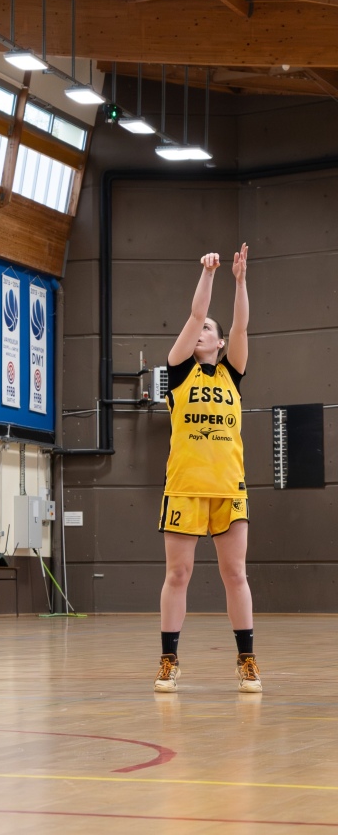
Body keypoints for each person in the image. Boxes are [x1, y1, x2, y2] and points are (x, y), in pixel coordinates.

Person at [155, 244, 260, 694]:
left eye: (209, 331)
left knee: (235, 574)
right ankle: (169, 661)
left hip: (228, 487)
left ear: (219, 343)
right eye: (200, 330)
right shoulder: (179, 371)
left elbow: (240, 326)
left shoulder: (232, 373)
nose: (202, 332)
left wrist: (240, 281)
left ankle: (247, 660)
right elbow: (197, 314)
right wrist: (210, 274)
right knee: (178, 575)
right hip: (184, 486)